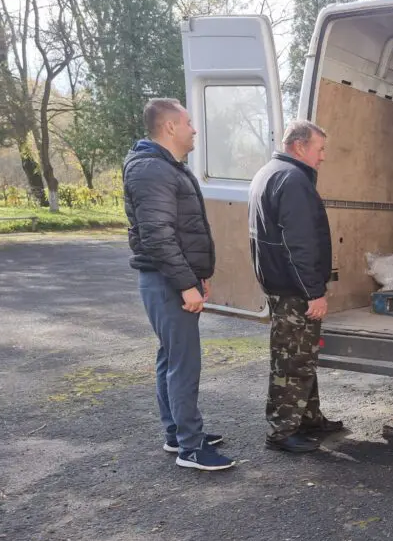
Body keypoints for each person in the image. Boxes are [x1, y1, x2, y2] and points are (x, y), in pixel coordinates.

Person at [123, 98, 235, 472]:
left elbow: (181, 231)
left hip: (172, 278)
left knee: (172, 357)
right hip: (166, 281)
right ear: (170, 127)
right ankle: (190, 447)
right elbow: (158, 235)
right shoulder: (152, 169)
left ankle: (176, 434)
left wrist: (197, 276)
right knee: (183, 363)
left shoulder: (165, 166)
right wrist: (186, 284)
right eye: (188, 122)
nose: (194, 129)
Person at [248, 120, 344, 454]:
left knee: (301, 356)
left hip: (281, 284)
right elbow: (298, 244)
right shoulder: (293, 180)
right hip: (295, 290)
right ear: (300, 146)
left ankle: (308, 419)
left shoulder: (270, 173)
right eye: (320, 149)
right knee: (291, 362)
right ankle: (282, 431)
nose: (323, 156)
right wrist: (313, 292)